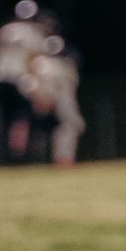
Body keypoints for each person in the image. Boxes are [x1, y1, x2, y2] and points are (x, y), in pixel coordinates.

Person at [0, 0, 49, 164]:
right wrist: (37, 85)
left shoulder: (6, 29)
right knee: (22, 117)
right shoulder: (34, 31)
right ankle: (18, 155)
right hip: (18, 77)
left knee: (4, 117)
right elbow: (32, 59)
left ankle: (4, 154)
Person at [22, 28, 84, 169]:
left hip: (41, 101)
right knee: (70, 125)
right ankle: (63, 159)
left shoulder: (38, 63)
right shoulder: (64, 65)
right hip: (55, 101)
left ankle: (38, 160)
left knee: (42, 131)